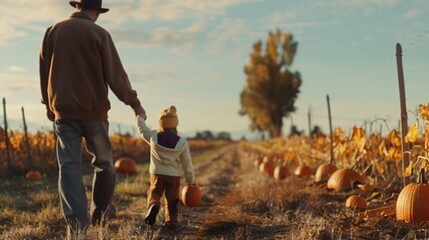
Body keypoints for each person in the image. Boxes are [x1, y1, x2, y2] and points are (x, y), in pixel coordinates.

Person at [39, 0, 146, 236]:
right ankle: (100, 213)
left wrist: (49, 104)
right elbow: (116, 75)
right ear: (96, 11)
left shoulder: (53, 31)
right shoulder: (100, 34)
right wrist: (134, 103)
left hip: (63, 113)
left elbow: (44, 70)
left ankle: (77, 227)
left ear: (77, 6)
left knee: (68, 168)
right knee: (105, 164)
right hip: (94, 114)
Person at [136, 105, 195, 230]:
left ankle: (153, 205)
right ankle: (172, 221)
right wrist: (191, 181)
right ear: (176, 125)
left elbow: (142, 130)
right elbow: (187, 163)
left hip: (157, 174)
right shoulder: (182, 142)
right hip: (173, 176)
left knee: (155, 193)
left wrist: (140, 118)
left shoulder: (153, 137)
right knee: (172, 199)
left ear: (160, 124)